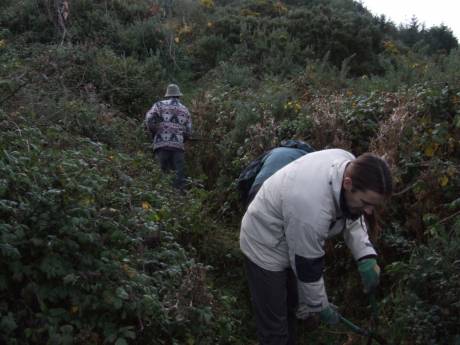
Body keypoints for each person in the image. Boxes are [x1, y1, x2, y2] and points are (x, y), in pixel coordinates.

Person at [239, 149, 392, 345]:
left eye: (374, 205)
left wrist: (365, 255)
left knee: (291, 305)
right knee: (275, 324)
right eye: (366, 203)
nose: (369, 211)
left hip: (291, 234)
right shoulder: (311, 207)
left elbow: (351, 213)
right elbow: (307, 266)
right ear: (347, 184)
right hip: (264, 242)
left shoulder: (349, 164)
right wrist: (321, 306)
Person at [145, 83, 192, 190]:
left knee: (160, 174)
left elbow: (149, 119)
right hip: (178, 148)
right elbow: (188, 131)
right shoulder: (185, 109)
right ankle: (179, 199)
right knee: (178, 176)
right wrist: (181, 139)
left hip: (161, 145)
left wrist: (154, 132)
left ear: (167, 95)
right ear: (179, 96)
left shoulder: (159, 105)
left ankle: (160, 198)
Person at [246, 142, 314, 207]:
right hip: (282, 190)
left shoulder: (273, 151)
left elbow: (249, 173)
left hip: (258, 188)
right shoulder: (307, 156)